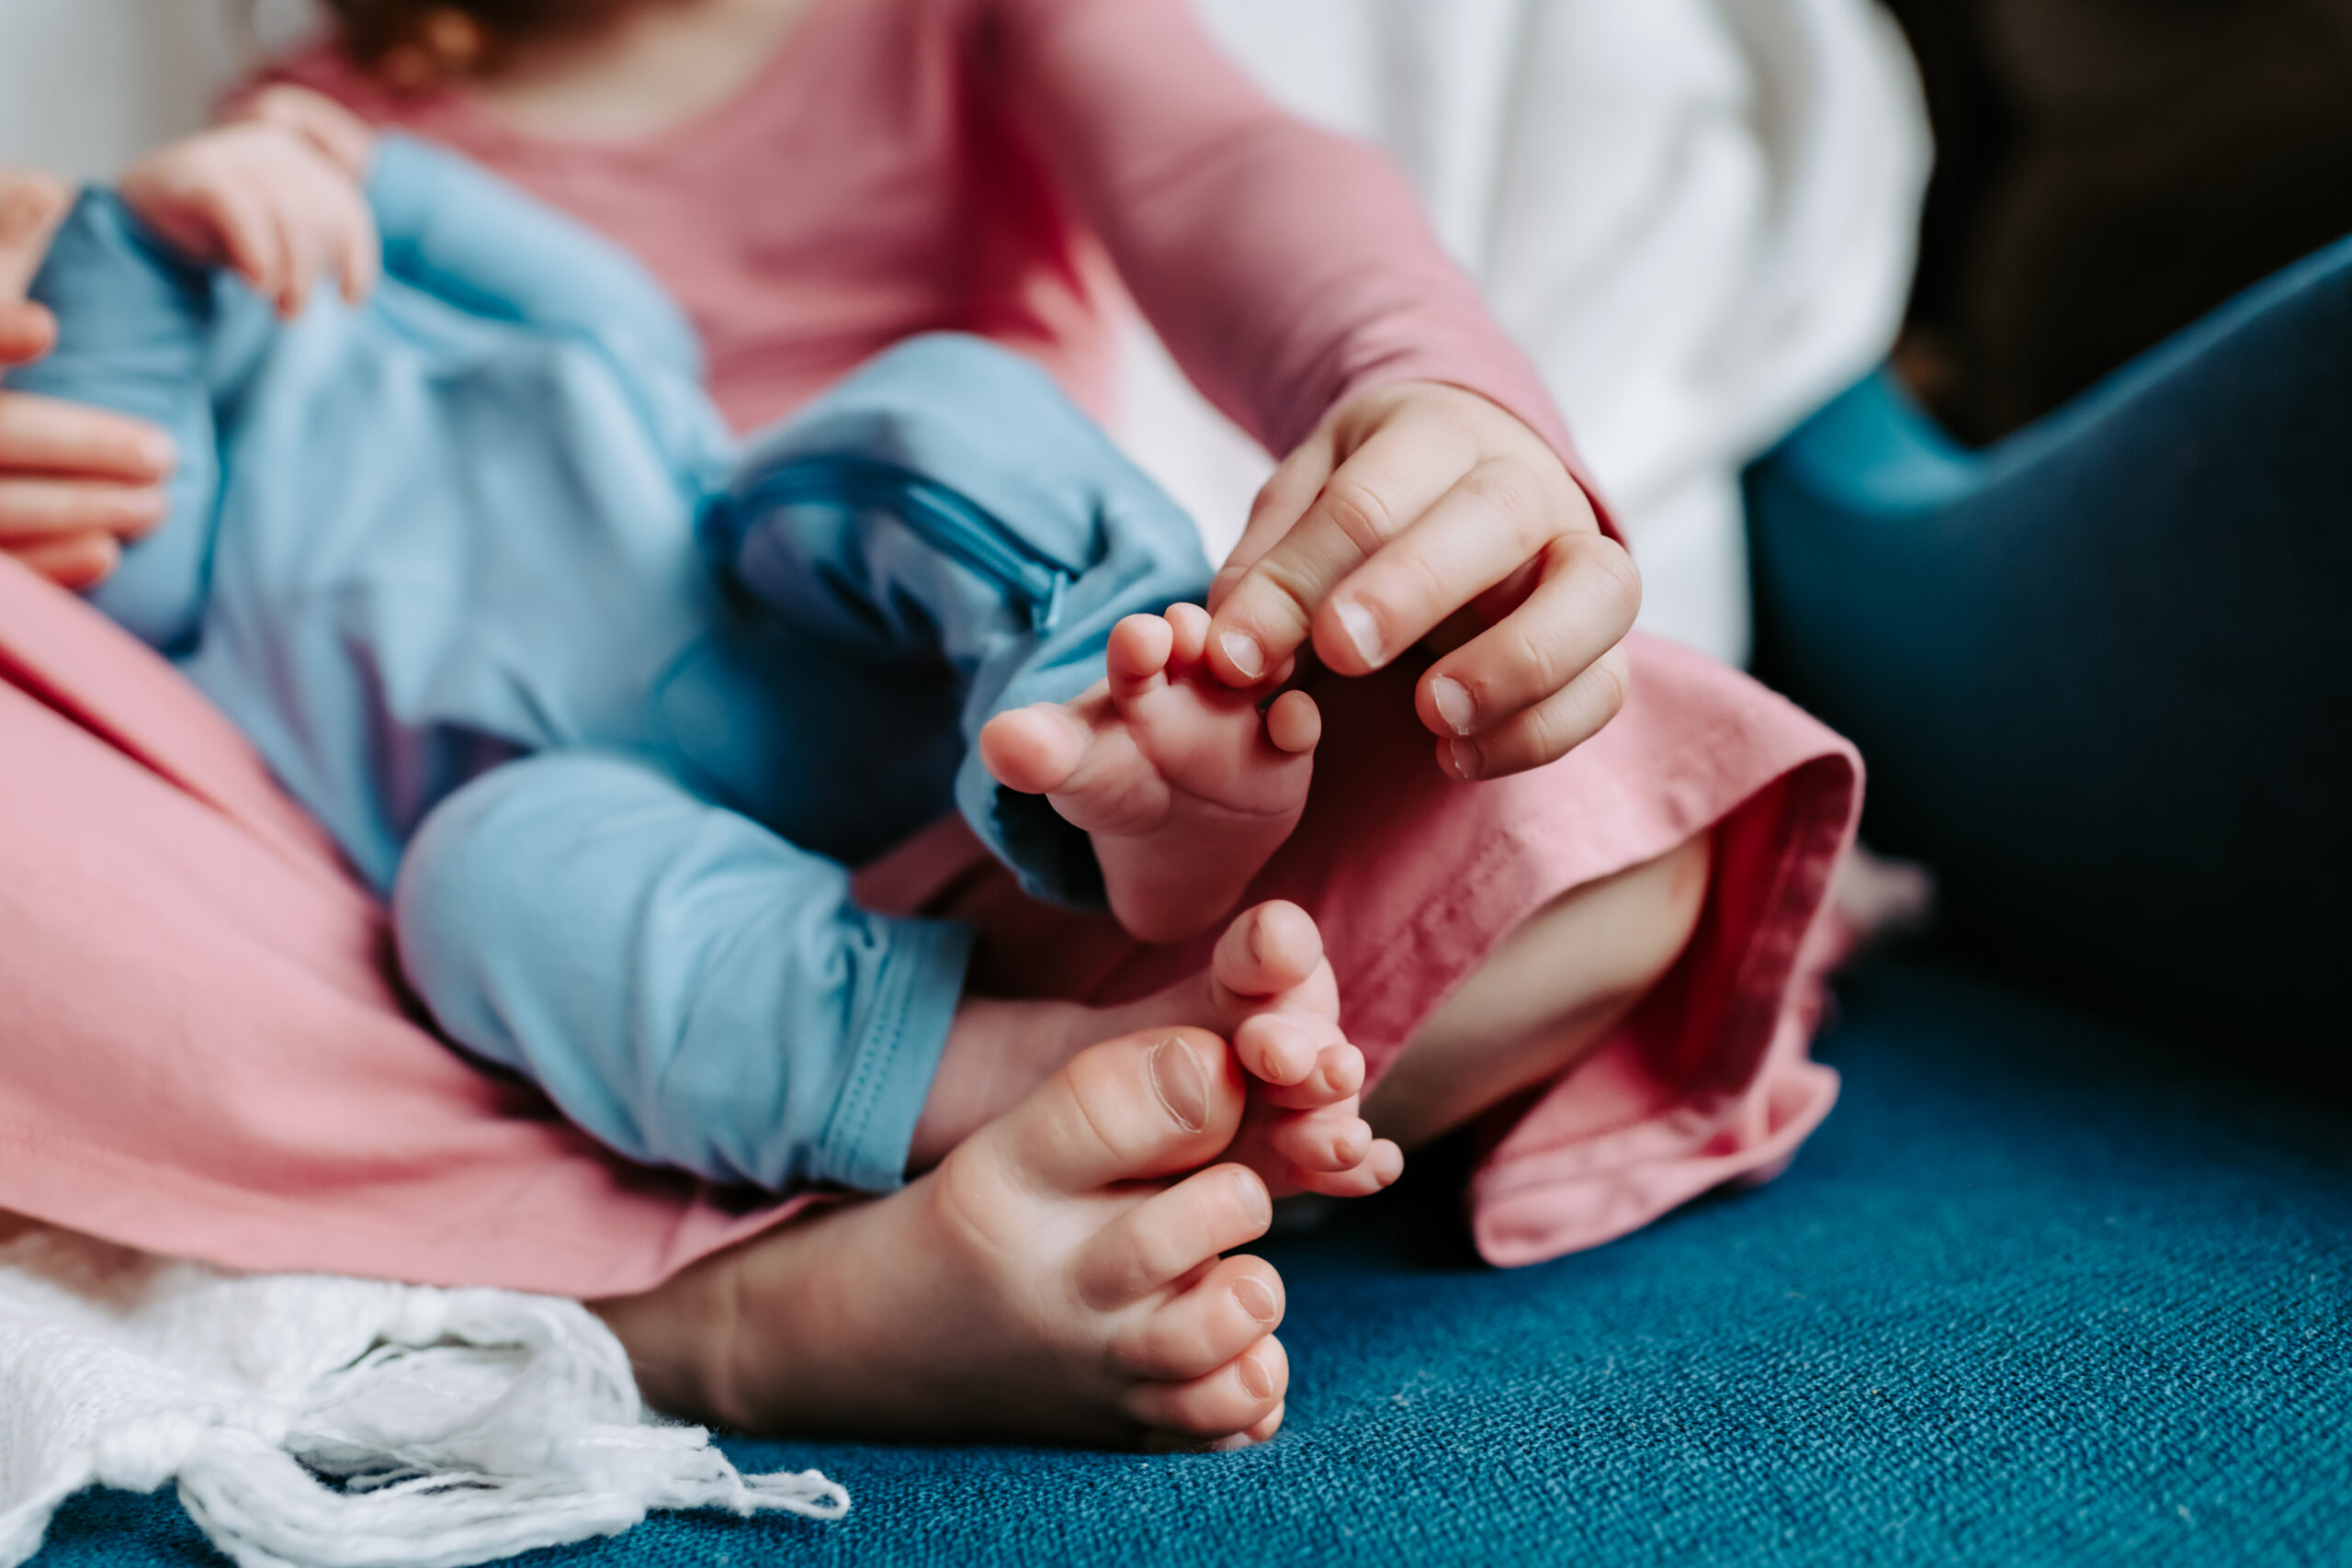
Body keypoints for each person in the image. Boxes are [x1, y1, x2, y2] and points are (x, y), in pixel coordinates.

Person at [0, 0, 1860, 1449]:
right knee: (488, 872)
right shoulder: (294, 143)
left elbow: (1219, 171)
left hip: (935, 725)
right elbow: (131, 570)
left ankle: (1126, 782)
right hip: (570, 964)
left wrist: (1424, 392)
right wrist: (113, 283)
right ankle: (939, 1150)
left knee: (1595, 810)